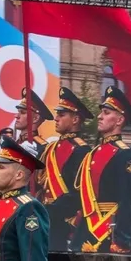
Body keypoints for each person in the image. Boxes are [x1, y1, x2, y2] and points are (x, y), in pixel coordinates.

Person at [75, 86, 131, 254]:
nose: (99, 116)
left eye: (106, 112)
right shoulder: (93, 152)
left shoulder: (125, 154)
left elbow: (126, 200)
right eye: (101, 112)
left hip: (108, 230)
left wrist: (121, 240)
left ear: (119, 120)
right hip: (87, 227)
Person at [37, 87, 92, 249]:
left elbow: (79, 192)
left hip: (63, 220)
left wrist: (52, 210)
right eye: (57, 114)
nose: (56, 118)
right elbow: (39, 182)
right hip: (43, 215)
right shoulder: (50, 148)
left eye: (61, 115)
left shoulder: (82, 150)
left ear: (75, 119)